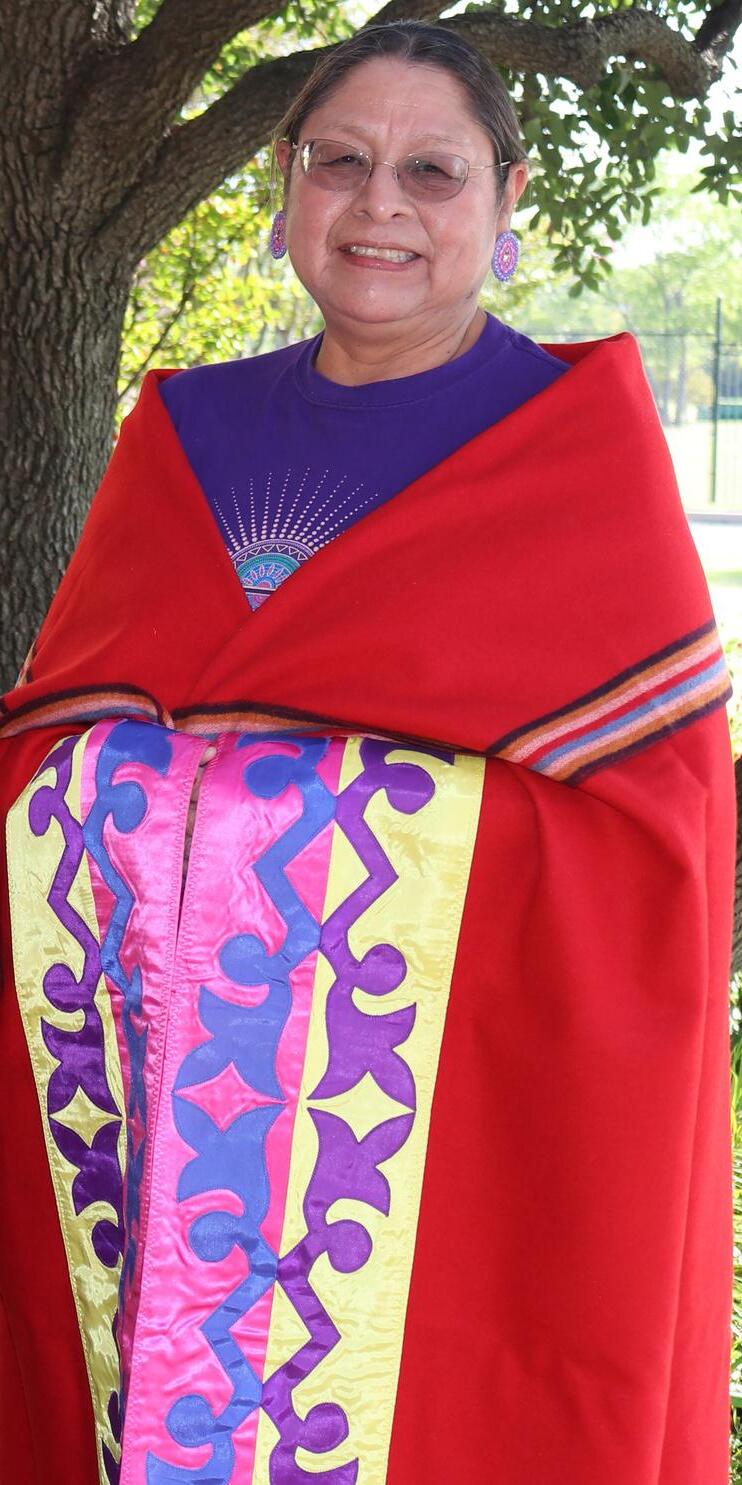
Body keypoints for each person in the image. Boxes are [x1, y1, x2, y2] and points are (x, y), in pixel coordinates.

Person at [0, 21, 735, 1485]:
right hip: (148, 1097)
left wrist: (266, 814)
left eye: (431, 172)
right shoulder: (184, 433)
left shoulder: (569, 452)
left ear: (507, 196)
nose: (378, 204)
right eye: (338, 162)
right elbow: (57, 737)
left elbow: (653, 838)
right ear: (285, 184)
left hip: (428, 1126)